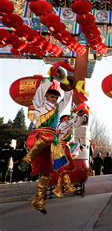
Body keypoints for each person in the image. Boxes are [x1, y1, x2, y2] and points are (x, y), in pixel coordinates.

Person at [19, 67, 73, 214]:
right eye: (52, 96)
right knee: (48, 137)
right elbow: (39, 93)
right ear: (46, 97)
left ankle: (39, 200)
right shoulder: (39, 106)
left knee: (47, 172)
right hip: (40, 136)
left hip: (51, 142)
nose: (55, 99)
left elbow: (67, 98)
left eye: (56, 97)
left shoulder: (57, 109)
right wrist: (50, 79)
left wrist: (67, 83)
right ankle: (27, 159)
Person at [53, 105, 88, 198]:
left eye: (68, 118)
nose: (67, 119)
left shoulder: (69, 125)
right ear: (61, 120)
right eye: (66, 118)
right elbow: (70, 123)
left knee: (70, 167)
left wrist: (80, 116)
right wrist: (75, 115)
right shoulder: (61, 125)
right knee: (64, 167)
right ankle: (66, 186)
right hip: (60, 146)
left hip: (66, 146)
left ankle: (59, 188)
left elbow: (77, 124)